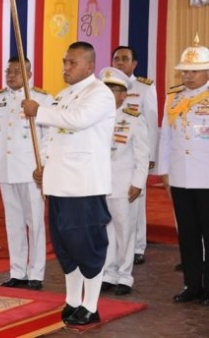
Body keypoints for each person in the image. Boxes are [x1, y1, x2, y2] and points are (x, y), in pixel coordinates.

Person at [22, 41, 115, 326]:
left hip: (84, 185)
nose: (66, 67)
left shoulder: (100, 94)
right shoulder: (62, 96)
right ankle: (73, 301)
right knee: (65, 247)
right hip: (59, 184)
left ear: (89, 65)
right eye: (64, 62)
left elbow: (78, 119)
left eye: (72, 63)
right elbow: (53, 138)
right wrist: (45, 167)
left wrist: (39, 111)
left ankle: (91, 304)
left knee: (87, 245)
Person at [0, 57, 53, 291]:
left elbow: (48, 138)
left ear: (29, 73)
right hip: (6, 169)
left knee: (34, 222)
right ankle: (17, 272)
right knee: (13, 223)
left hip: (30, 170)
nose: (11, 75)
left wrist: (43, 166)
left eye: (17, 71)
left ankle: (36, 273)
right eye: (8, 71)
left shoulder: (41, 99)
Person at [157, 37, 209, 305]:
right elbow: (166, 137)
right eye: (185, 71)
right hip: (180, 177)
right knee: (187, 234)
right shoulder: (173, 98)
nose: (187, 75)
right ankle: (192, 285)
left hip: (207, 179)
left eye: (193, 71)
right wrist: (164, 172)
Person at [98, 67, 150, 296]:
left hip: (124, 184)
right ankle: (108, 273)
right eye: (106, 89)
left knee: (125, 231)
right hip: (100, 184)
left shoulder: (134, 119)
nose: (110, 94)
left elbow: (142, 155)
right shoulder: (96, 117)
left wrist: (138, 183)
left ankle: (125, 276)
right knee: (106, 230)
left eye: (115, 90)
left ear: (123, 95)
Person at [111, 46, 157, 266]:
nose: (120, 62)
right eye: (116, 59)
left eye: (124, 59)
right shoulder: (105, 88)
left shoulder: (145, 87)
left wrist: (151, 155)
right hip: (116, 155)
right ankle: (118, 250)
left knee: (137, 201)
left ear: (134, 63)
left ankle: (138, 245)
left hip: (138, 152)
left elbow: (151, 120)